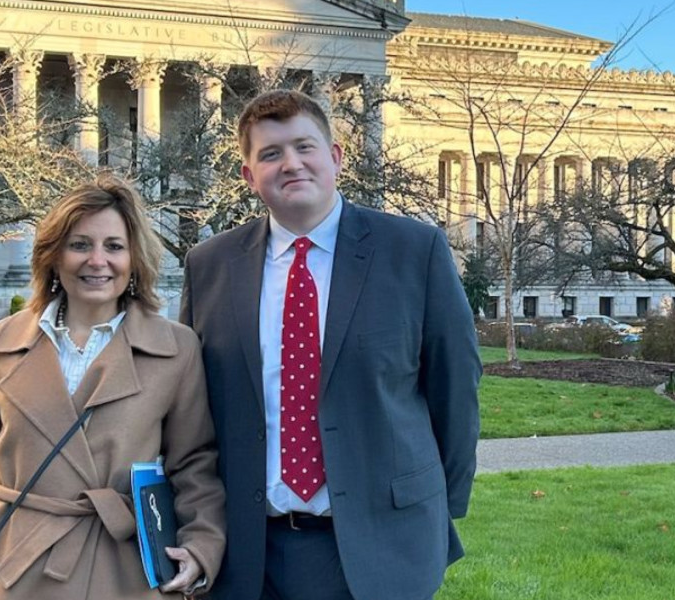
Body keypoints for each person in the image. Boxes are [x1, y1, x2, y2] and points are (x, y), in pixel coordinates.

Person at [180, 89, 481, 600]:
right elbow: (191, 408)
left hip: (382, 542)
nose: (291, 163)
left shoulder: (413, 250)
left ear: (336, 157)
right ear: (250, 177)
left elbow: (455, 389)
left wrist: (431, 508)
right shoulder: (209, 265)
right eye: (270, 154)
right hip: (250, 551)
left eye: (304, 147)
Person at [0, 175, 225, 599]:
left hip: (122, 566)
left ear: (134, 259)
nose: (98, 260)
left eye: (114, 246)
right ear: (54, 256)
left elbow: (194, 464)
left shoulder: (175, 348)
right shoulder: (0, 343)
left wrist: (200, 546)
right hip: (8, 564)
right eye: (80, 245)